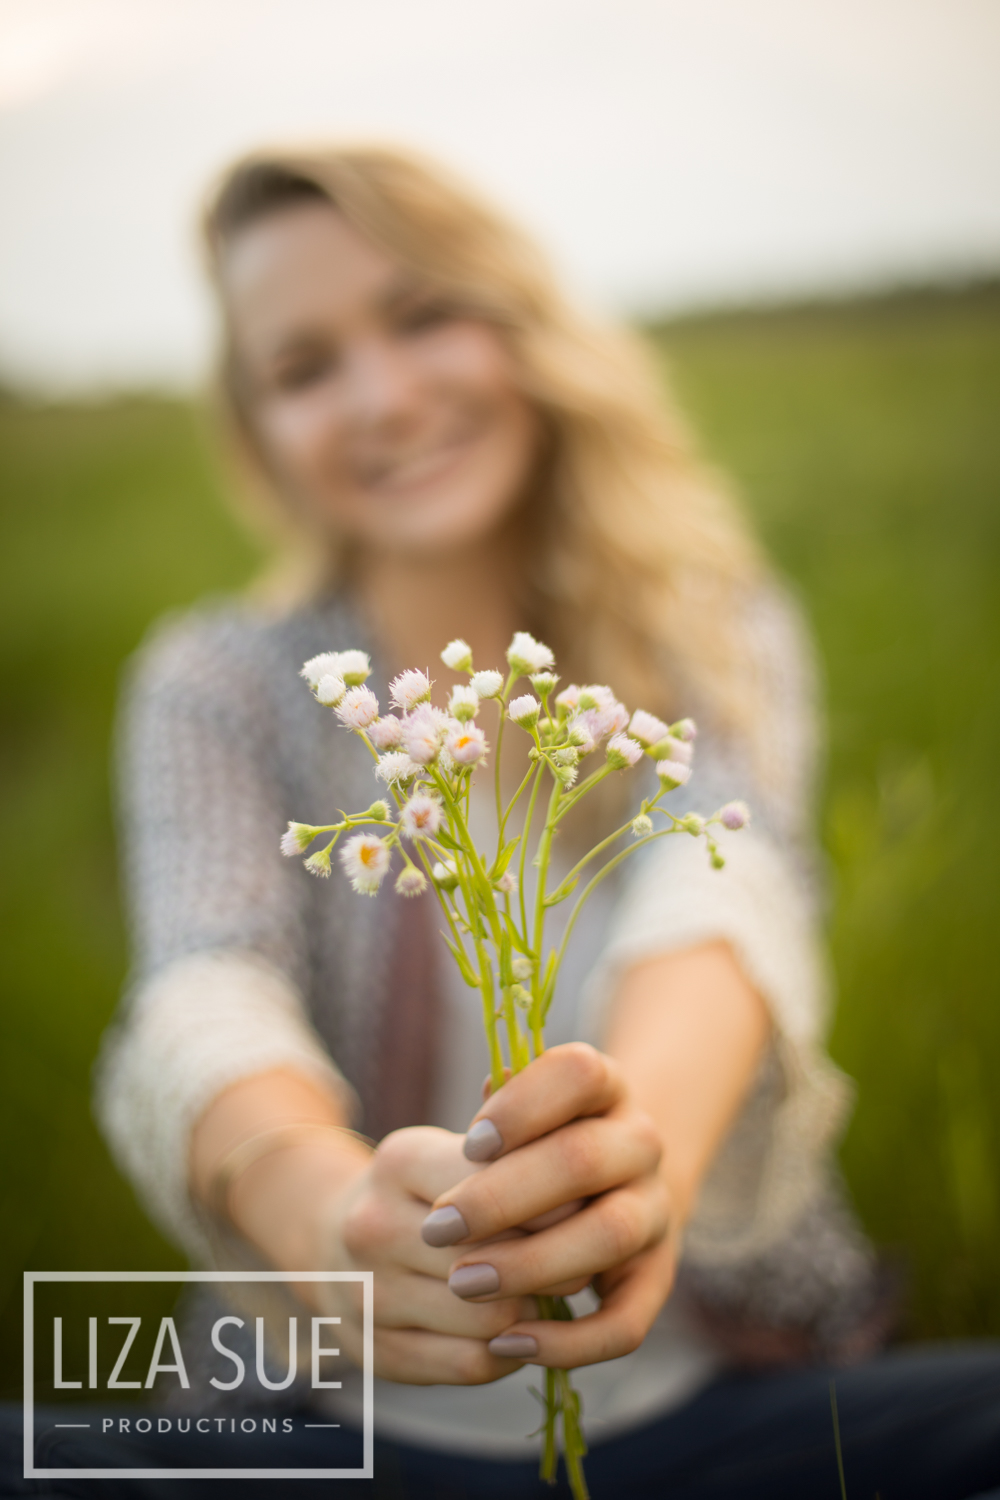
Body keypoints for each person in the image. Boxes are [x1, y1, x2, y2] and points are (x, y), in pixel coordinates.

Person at [72, 147, 1000, 1497]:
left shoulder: (700, 624)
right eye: (304, 366)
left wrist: (642, 1183)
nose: (384, 396)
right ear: (260, 429)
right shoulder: (220, 682)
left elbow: (722, 895)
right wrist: (331, 1222)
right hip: (323, 1434)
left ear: (521, 322)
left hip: (714, 1403)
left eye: (420, 313)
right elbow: (208, 984)